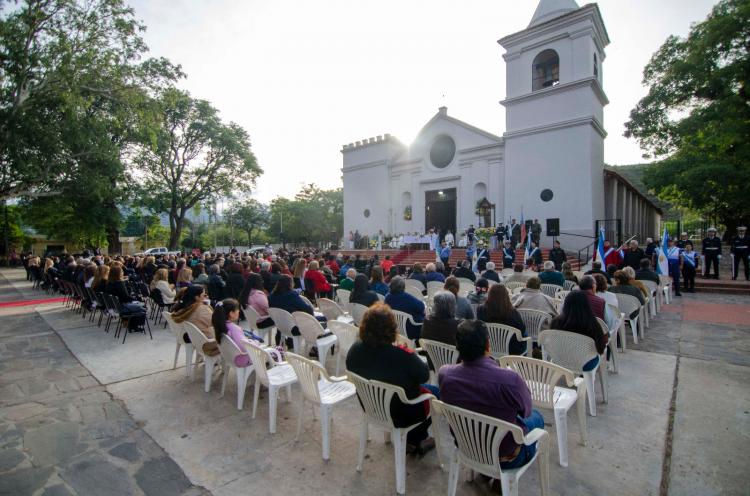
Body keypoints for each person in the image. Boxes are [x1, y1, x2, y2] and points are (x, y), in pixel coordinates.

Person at [439, 320, 543, 470]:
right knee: (537, 417)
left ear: (458, 347)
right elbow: (526, 411)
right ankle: (500, 477)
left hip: (467, 447)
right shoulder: (510, 380)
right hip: (507, 456)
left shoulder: (445, 374)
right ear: (488, 345)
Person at [346, 304, 435, 454]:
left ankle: (414, 438)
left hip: (371, 406)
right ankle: (418, 438)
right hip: (401, 413)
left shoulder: (354, 350)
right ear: (391, 329)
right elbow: (424, 375)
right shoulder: (402, 355)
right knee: (435, 393)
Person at [549, 291, 607, 371]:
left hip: (560, 360)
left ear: (566, 304)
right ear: (586, 304)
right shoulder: (593, 324)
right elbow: (601, 348)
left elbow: (552, 344)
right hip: (585, 363)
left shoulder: (556, 322)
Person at [212, 298, 265, 367]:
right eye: (237, 309)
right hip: (243, 359)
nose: (239, 311)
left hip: (230, 357)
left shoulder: (220, 326)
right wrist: (255, 342)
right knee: (271, 354)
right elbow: (245, 347)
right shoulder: (234, 329)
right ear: (231, 313)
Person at [478, 284, 528, 355]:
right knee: (525, 334)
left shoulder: (481, 310)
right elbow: (522, 330)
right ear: (506, 296)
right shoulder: (513, 313)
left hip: (488, 347)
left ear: (489, 295)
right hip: (511, 349)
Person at [171, 285, 218, 356]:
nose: (206, 296)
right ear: (197, 297)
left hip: (194, 339)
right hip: (207, 342)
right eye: (204, 295)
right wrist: (209, 307)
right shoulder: (201, 309)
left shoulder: (184, 308)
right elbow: (216, 322)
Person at [384, 276, 425, 340]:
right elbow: (421, 307)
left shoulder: (387, 297)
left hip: (394, 328)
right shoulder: (407, 298)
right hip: (411, 329)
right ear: (403, 287)